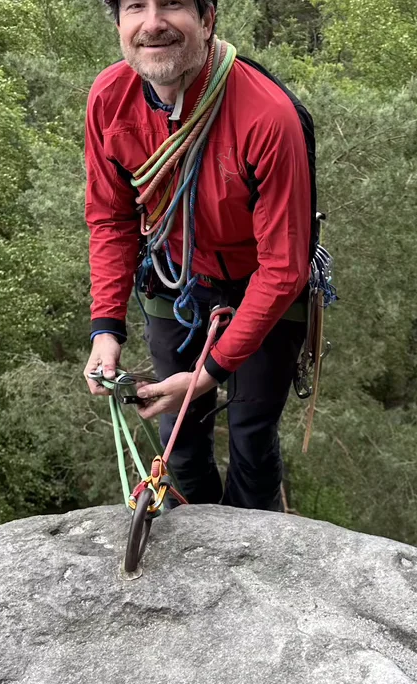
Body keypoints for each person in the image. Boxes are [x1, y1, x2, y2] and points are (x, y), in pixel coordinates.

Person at [82, 0, 317, 511]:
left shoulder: (269, 115)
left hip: (265, 285)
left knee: (252, 437)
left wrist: (208, 374)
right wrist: (105, 329)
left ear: (208, 20)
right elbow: (111, 219)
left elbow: (283, 266)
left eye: (172, 4)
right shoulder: (109, 100)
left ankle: (255, 563)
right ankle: (191, 563)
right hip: (177, 276)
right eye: (136, 8)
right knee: (180, 440)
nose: (153, 23)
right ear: (118, 25)